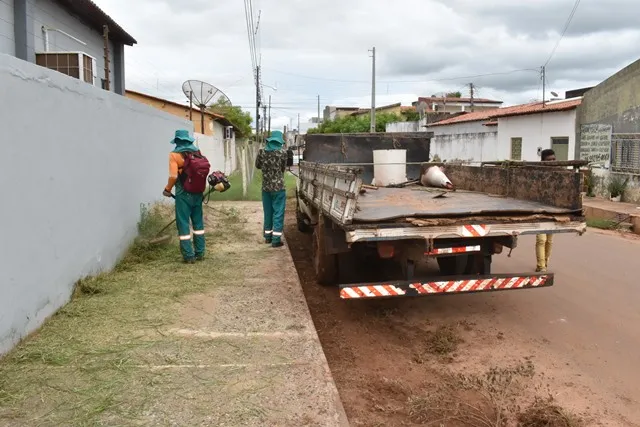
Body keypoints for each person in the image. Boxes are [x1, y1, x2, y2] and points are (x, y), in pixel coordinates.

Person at [163, 129, 209, 263]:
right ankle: (200, 252)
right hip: (197, 192)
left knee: (183, 223)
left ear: (177, 141)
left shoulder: (174, 155)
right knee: (198, 223)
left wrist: (167, 189)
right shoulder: (197, 152)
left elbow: (173, 176)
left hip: (183, 193)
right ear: (188, 140)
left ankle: (189, 256)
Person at [256, 130, 288, 248]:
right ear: (280, 141)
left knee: (268, 213)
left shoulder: (262, 152)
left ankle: (268, 237)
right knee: (278, 213)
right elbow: (283, 168)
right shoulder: (282, 153)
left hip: (266, 188)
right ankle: (276, 240)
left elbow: (258, 165)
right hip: (279, 188)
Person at [535, 149, 556, 272]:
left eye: (554, 159)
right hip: (540, 211)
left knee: (549, 241)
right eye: (549, 160)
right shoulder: (538, 174)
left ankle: (545, 263)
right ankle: (541, 266)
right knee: (541, 239)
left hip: (553, 211)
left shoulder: (558, 174)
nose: (552, 162)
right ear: (543, 161)